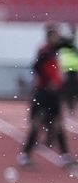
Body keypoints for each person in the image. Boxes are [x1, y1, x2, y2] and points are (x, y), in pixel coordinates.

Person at [23, 23, 73, 169]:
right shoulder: (45, 51)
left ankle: (65, 156)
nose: (58, 37)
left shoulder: (54, 49)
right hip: (43, 93)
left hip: (54, 93)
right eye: (55, 35)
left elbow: (68, 43)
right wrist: (48, 81)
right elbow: (36, 67)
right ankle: (25, 155)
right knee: (36, 123)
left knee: (58, 124)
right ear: (50, 36)